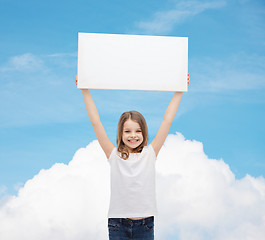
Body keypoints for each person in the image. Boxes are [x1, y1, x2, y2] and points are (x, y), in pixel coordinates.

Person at [75, 74, 190, 240]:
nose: (133, 136)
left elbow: (167, 120)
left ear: (144, 132)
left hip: (144, 225)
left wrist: (179, 90)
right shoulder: (114, 155)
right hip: (118, 225)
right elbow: (96, 122)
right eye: (127, 131)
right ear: (120, 134)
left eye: (138, 131)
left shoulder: (150, 154)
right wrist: (84, 89)